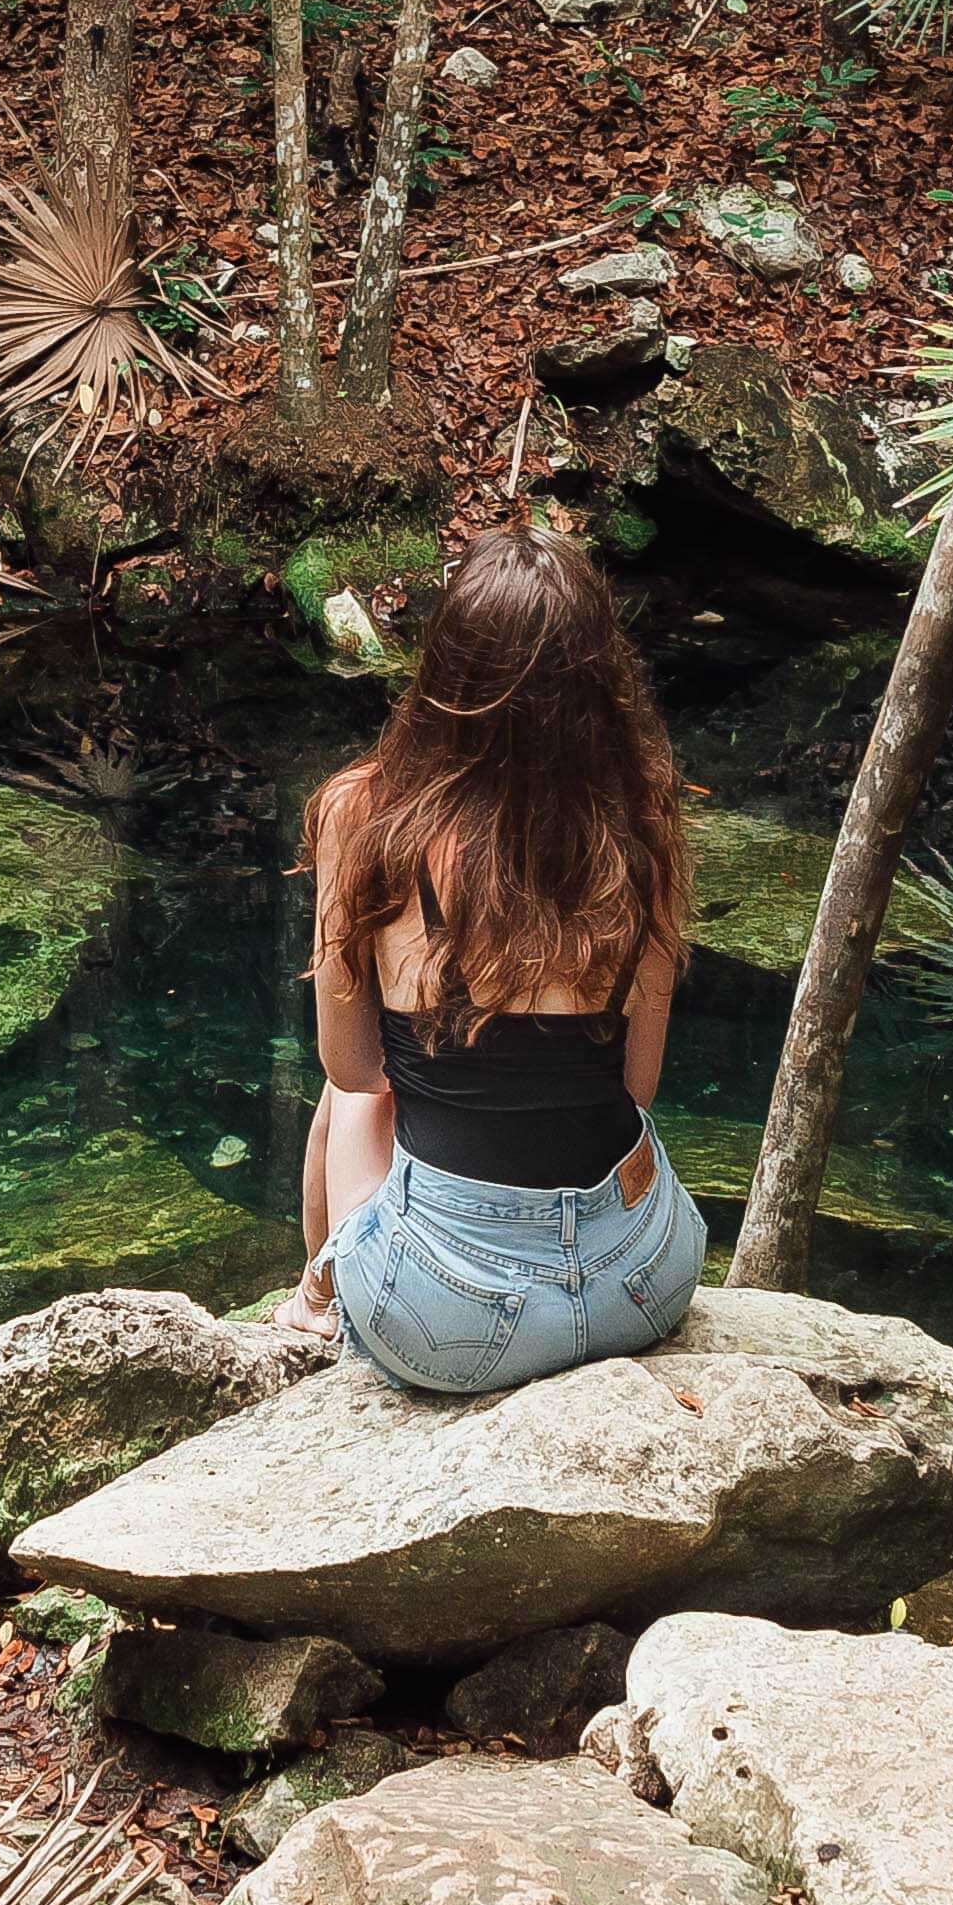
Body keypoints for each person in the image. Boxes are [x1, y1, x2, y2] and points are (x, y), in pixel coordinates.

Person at [286, 522, 707, 1396]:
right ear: (601, 681)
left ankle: (317, 1308)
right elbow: (636, 1085)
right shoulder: (642, 820)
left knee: (352, 1093)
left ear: (446, 673)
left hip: (448, 1323)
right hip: (646, 1281)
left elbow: (354, 1066)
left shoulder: (362, 813)